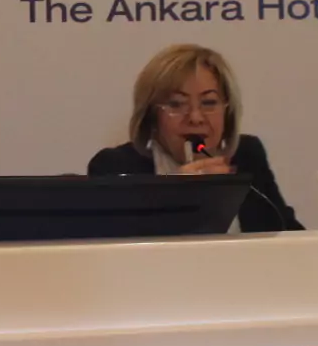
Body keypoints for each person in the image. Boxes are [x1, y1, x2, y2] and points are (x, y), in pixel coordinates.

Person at [86, 43, 303, 231]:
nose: (196, 118)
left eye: (209, 103)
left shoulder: (248, 155)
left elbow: (290, 236)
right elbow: (110, 252)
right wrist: (174, 198)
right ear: (151, 116)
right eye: (176, 104)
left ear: (227, 111)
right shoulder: (116, 167)